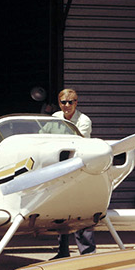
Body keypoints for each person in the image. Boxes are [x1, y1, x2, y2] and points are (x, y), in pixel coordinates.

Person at [53, 88, 97, 259]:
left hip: (79, 169)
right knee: (60, 211)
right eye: (63, 102)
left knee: (82, 210)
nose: (67, 105)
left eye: (71, 102)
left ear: (76, 103)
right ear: (59, 103)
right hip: (60, 168)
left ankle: (88, 254)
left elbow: (76, 142)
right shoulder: (55, 118)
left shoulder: (84, 121)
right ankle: (63, 252)